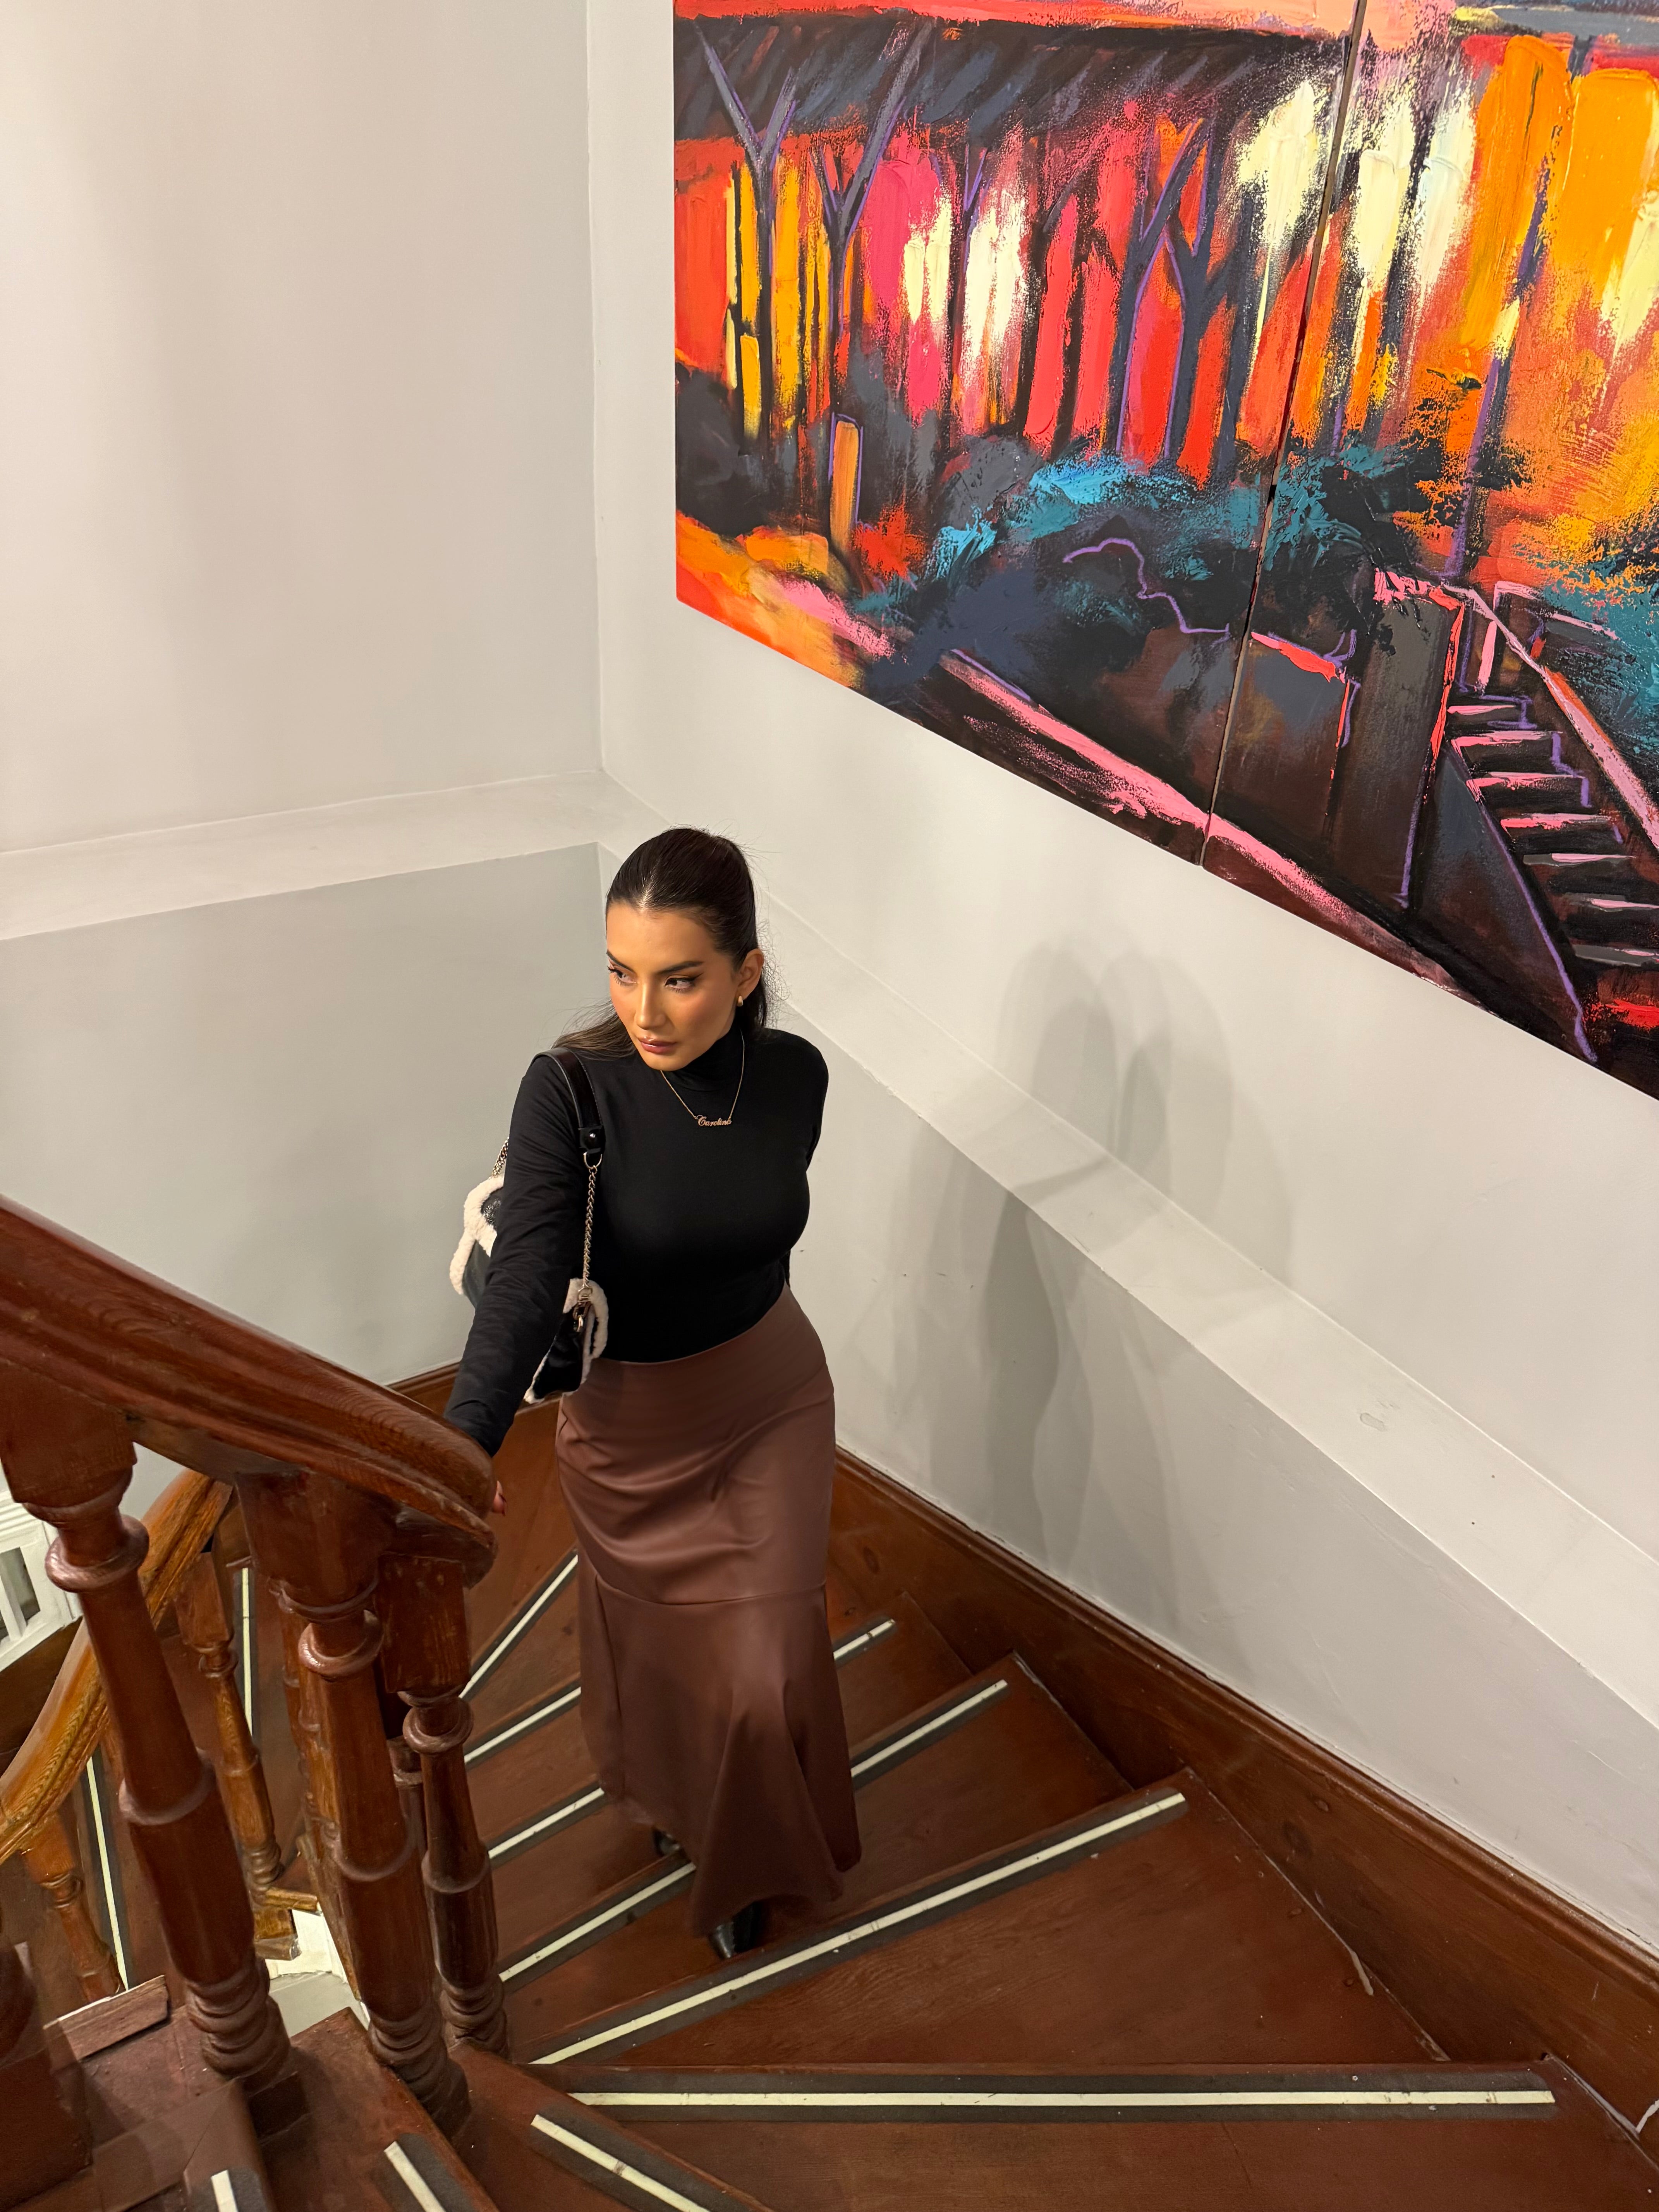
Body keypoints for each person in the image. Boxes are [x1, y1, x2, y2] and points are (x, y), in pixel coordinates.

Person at [444, 827, 860, 1958]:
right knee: (672, 1656)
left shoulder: (795, 1079)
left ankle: (749, 1860)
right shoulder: (570, 1091)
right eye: (622, 973)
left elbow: (752, 1228)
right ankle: (680, 1802)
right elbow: (528, 1279)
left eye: (679, 979)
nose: (645, 1010)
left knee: (765, 1667)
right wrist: (464, 1442)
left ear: (746, 974)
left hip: (772, 1399)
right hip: (631, 1435)